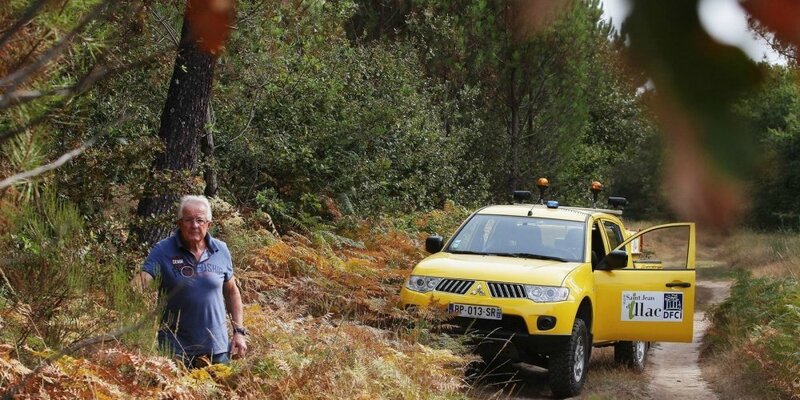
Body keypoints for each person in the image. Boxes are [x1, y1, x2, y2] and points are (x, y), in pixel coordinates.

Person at [131, 195, 247, 368]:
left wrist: (239, 332)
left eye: (200, 220)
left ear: (209, 224)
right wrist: (133, 292)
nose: (194, 225)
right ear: (179, 223)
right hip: (175, 349)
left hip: (217, 348)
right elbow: (143, 279)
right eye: (188, 220)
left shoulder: (221, 249)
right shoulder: (163, 250)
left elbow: (232, 292)